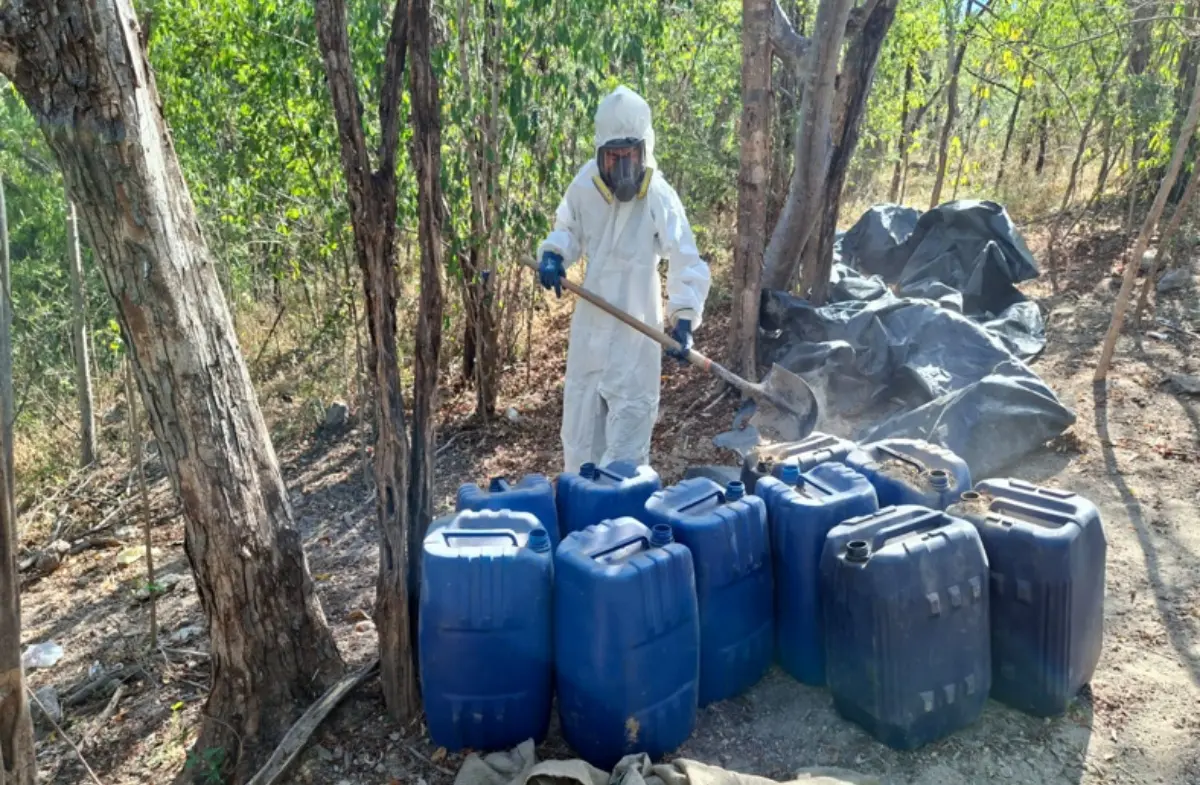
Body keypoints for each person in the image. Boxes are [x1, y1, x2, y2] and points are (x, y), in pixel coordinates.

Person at [536, 85, 711, 474]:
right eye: (612, 156)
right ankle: (582, 522)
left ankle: (623, 528)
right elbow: (568, 228)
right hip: (591, 335)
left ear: (642, 150)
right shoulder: (585, 186)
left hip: (637, 336)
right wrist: (553, 253)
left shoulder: (658, 196)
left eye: (628, 155)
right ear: (601, 154)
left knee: (627, 451)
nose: (621, 166)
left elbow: (685, 256)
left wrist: (683, 319)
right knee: (580, 441)